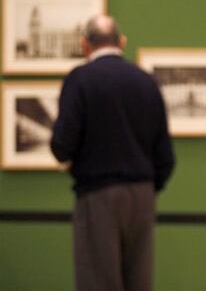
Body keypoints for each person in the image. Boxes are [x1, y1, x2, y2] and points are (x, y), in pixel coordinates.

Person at [51, 15, 175, 291]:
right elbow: (165, 154)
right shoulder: (146, 81)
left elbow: (62, 145)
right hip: (142, 195)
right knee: (139, 282)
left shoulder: (80, 80)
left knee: (98, 282)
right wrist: (149, 186)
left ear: (85, 45)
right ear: (121, 42)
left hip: (98, 194)